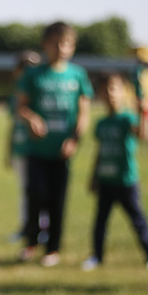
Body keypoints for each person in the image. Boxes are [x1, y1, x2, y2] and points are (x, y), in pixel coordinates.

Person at [16, 21, 94, 267]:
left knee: (57, 200)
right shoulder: (34, 74)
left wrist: (74, 140)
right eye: (56, 43)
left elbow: (84, 112)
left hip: (62, 151)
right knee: (35, 196)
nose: (61, 48)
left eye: (67, 43)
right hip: (37, 150)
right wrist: (32, 118)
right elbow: (21, 107)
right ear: (45, 45)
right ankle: (31, 242)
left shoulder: (77, 75)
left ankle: (53, 249)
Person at [83, 73, 148, 272]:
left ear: (123, 92)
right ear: (100, 94)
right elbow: (100, 152)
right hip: (106, 180)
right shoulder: (102, 124)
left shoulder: (127, 118)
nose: (110, 94)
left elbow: (143, 135)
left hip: (126, 180)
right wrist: (93, 176)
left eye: (114, 88)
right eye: (105, 89)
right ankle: (97, 256)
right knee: (100, 221)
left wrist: (143, 113)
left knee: (137, 219)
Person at [5, 50, 41, 241]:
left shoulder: (39, 93)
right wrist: (8, 151)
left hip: (35, 150)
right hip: (20, 150)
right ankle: (27, 227)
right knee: (25, 192)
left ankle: (40, 229)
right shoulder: (16, 96)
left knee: (38, 192)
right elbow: (13, 125)